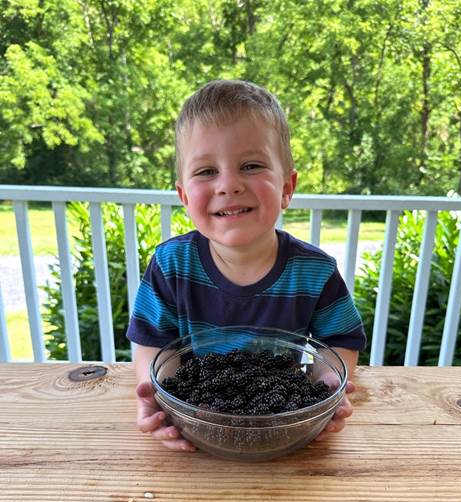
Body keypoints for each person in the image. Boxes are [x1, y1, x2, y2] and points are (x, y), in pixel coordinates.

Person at [126, 79, 366, 452]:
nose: (229, 185)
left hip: (281, 429)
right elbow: (156, 349)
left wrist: (329, 386)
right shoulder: (171, 266)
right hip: (198, 429)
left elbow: (339, 342)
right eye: (206, 171)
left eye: (251, 165)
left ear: (287, 187)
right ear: (184, 197)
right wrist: (161, 402)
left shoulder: (315, 272)